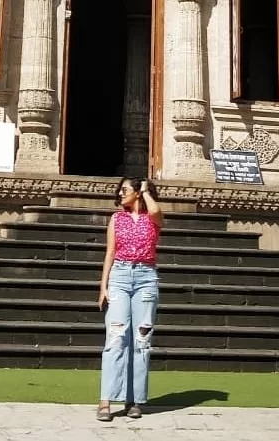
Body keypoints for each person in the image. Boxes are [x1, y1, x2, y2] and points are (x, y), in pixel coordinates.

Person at [96, 177, 163, 422]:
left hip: (146, 277)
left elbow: (154, 210)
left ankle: (133, 400)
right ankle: (106, 400)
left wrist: (145, 191)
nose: (119, 194)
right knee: (116, 337)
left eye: (124, 190)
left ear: (137, 192)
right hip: (120, 276)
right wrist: (103, 286)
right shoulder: (117, 218)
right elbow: (110, 252)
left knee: (141, 340)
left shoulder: (153, 218)